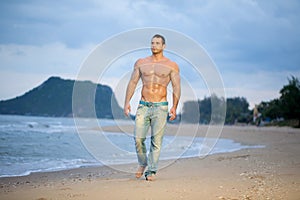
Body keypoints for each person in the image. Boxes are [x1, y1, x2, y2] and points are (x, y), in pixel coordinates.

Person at [124, 34, 181, 181]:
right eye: (152, 43)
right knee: (138, 138)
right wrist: (127, 102)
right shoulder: (141, 63)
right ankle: (143, 163)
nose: (154, 45)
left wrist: (174, 107)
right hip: (143, 105)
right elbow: (132, 83)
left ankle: (151, 171)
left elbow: (176, 87)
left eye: (157, 43)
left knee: (156, 141)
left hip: (161, 107)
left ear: (163, 46)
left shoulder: (171, 65)